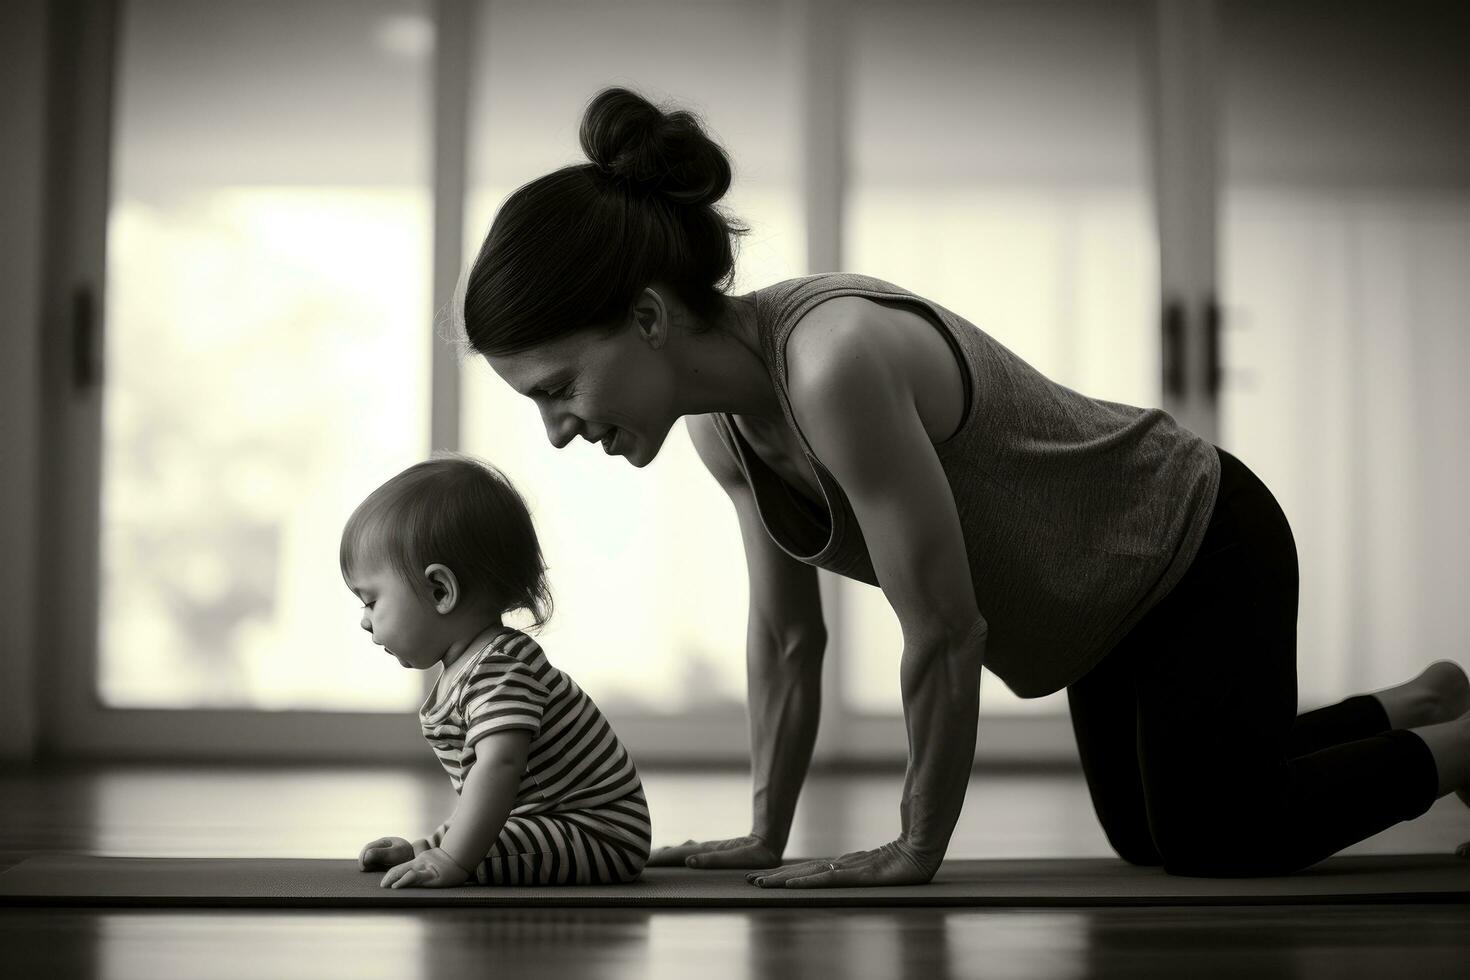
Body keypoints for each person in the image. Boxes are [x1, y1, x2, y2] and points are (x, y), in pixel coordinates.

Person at [450, 85, 1470, 887]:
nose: (558, 430)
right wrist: (766, 826)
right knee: (1151, 831)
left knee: (1217, 830)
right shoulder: (723, 428)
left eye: (559, 388)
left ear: (646, 318)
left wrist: (913, 842)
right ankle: (1414, 702)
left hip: (1192, 538)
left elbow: (944, 627)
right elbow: (788, 639)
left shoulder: (835, 359)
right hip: (1102, 610)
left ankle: (1461, 745)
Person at [342, 452, 652, 887]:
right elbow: (490, 802)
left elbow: (499, 770)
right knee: (477, 831)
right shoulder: (474, 665)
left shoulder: (500, 669)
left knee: (472, 852)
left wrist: (448, 857)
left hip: (597, 833)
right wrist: (427, 847)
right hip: (547, 822)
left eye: (371, 600)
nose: (364, 618)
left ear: (439, 589)